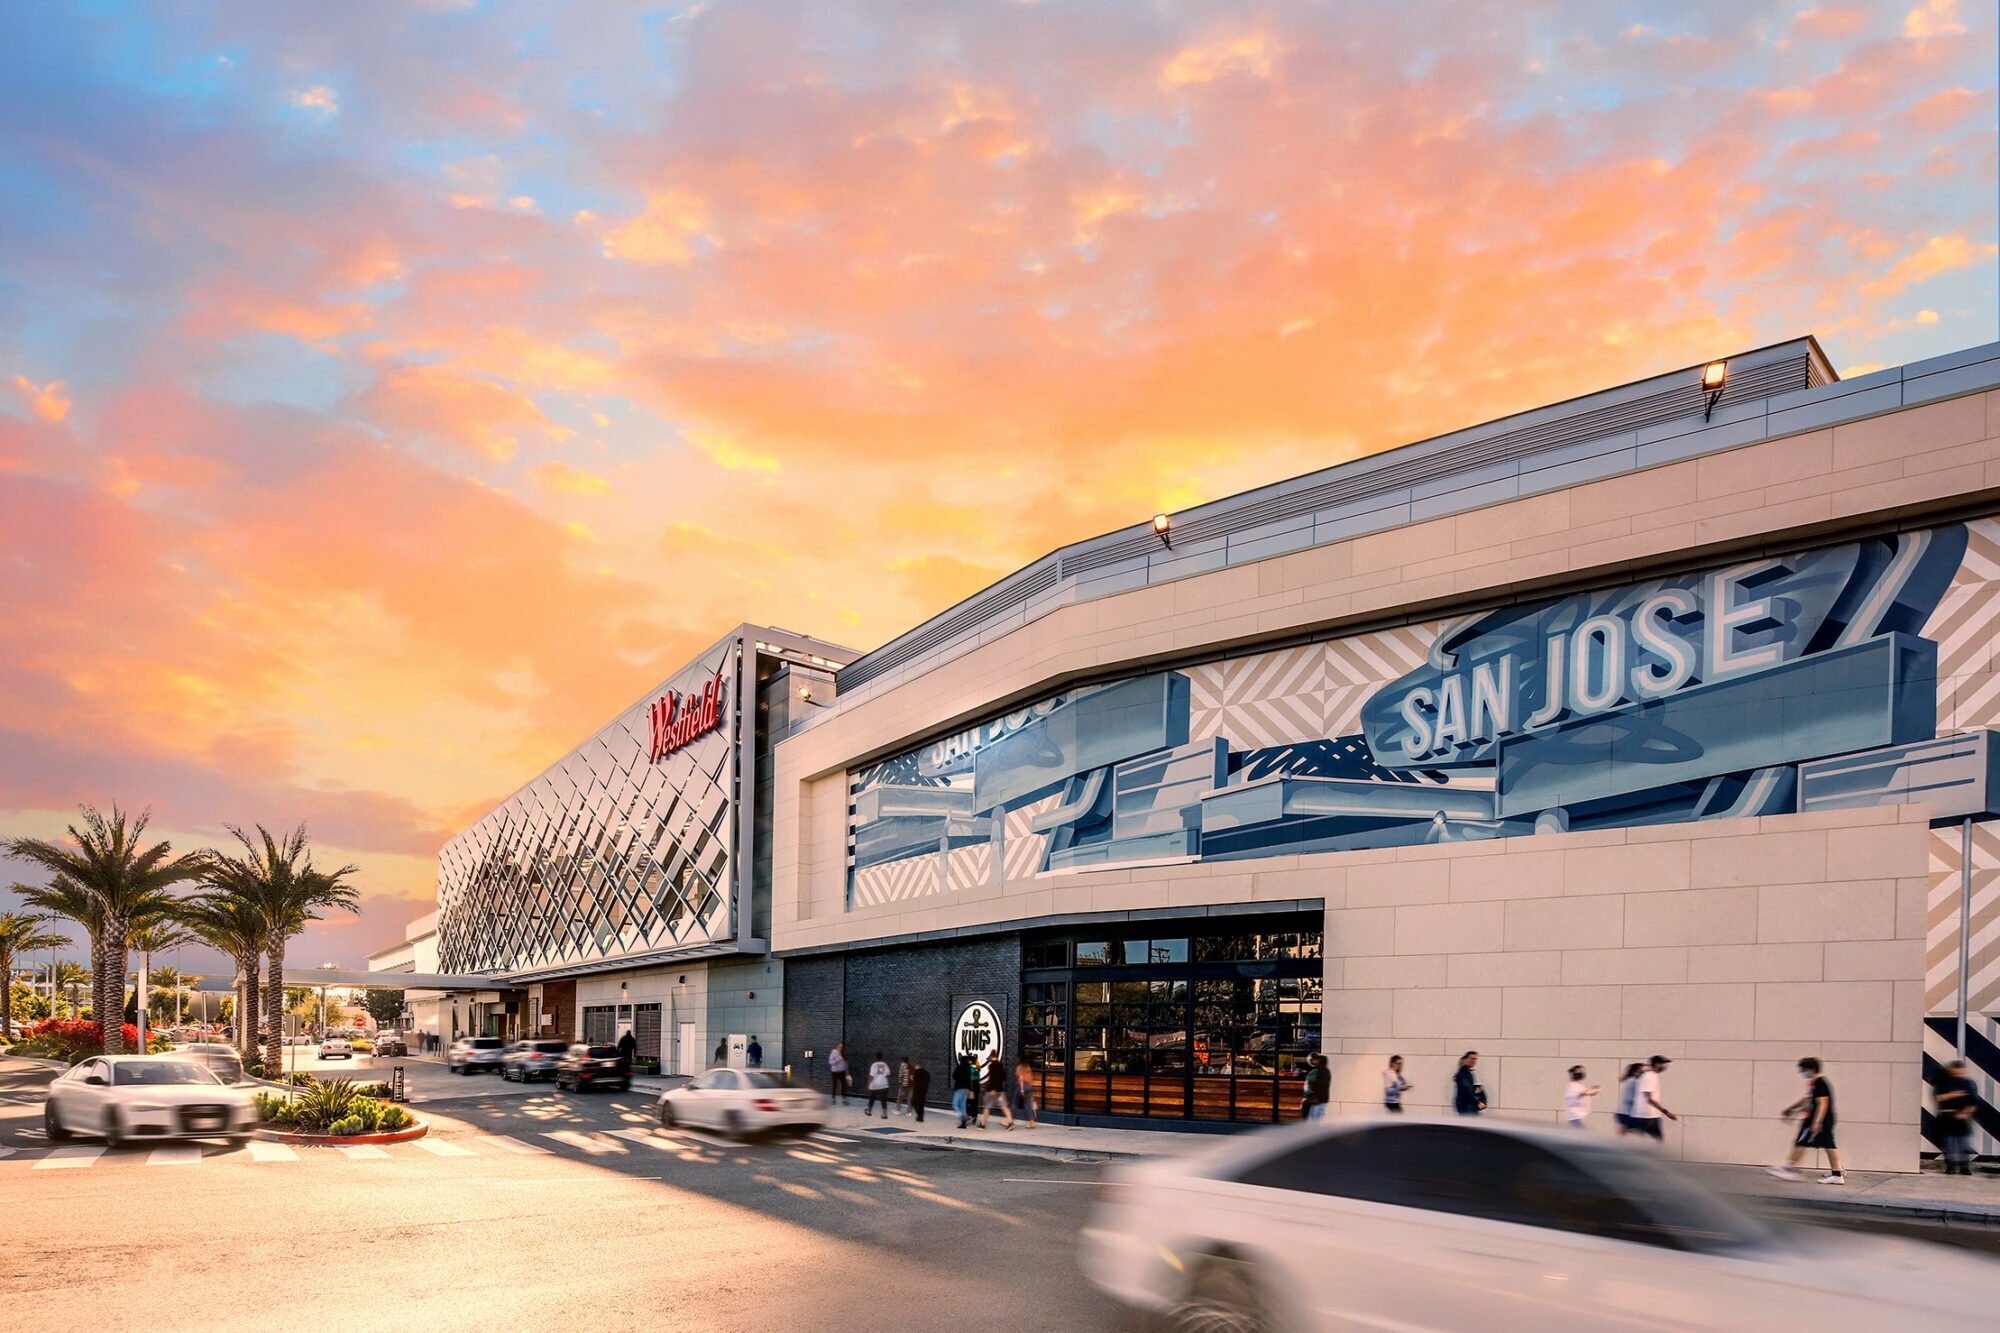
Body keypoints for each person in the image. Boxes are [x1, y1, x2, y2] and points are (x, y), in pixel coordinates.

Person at [1769, 1056, 1843, 1184]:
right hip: (1815, 1118)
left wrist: (1817, 1122)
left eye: (1803, 1070)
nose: (1802, 1073)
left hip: (1818, 1119)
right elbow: (1807, 1100)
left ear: (1811, 1069)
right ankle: (1837, 1172)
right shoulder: (1814, 1083)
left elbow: (1823, 1103)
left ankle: (1789, 1167)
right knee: (1827, 1144)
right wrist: (1792, 1109)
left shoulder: (1820, 1083)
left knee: (1802, 1142)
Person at [1932, 1059, 1978, 1175]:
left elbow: (1973, 1102)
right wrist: (1953, 1095)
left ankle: (1964, 1167)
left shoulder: (1969, 1083)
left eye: (1961, 1070)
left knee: (1964, 1144)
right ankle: (1950, 1166)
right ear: (1952, 1070)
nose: (1959, 1073)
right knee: (1949, 1143)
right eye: (1957, 1070)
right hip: (1947, 1115)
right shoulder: (1944, 1082)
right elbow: (1938, 1098)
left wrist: (1966, 1113)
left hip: (1963, 1117)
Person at [1630, 1055, 1678, 1141]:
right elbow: (1650, 1099)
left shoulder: (1648, 1075)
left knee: (1647, 1143)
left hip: (1644, 1116)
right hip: (1648, 1116)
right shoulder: (1650, 1076)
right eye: (1663, 1064)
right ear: (1656, 1064)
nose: (1665, 1066)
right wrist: (1666, 1112)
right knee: (1658, 1142)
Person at [979, 1050, 1014, 1130]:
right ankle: (1010, 1122)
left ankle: (983, 1124)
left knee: (987, 1107)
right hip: (1000, 1089)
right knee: (1004, 1106)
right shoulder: (1000, 1065)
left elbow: (993, 1078)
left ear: (991, 1056)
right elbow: (1003, 1076)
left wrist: (993, 1089)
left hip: (992, 1090)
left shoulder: (992, 1065)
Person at [1613, 1063, 1645, 1134]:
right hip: (1627, 1113)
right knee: (1640, 1131)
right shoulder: (1633, 1081)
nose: (1643, 1074)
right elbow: (1629, 1098)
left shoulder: (1630, 1080)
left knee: (1624, 1134)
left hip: (1624, 1112)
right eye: (1641, 1072)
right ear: (1634, 1072)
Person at [1453, 1051, 1485, 1116]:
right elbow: (1466, 1090)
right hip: (1467, 1106)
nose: (1474, 1061)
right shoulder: (1463, 1073)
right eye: (1472, 1058)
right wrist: (1477, 1102)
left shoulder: (1466, 1073)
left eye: (1475, 1059)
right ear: (1466, 1059)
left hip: (1468, 1106)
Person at [1302, 1053, 1332, 1120]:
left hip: (1314, 1101)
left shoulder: (1316, 1072)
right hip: (1323, 1100)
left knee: (1312, 1121)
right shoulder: (1327, 1072)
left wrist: (1308, 1097)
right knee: (1318, 1120)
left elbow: (1310, 1086)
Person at [951, 1053, 976, 1127]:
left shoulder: (959, 1067)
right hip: (966, 1089)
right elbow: (970, 1079)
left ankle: (964, 1116)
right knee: (963, 1105)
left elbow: (954, 1076)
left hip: (959, 1088)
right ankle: (963, 1123)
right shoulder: (969, 1068)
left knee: (955, 1104)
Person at [865, 1051, 892, 1117]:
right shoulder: (885, 1064)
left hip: (875, 1085)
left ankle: (869, 1111)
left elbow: (871, 1075)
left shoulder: (874, 1065)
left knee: (872, 1098)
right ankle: (884, 1114)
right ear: (882, 1057)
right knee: (883, 1099)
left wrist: (868, 1083)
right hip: (884, 1084)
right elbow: (888, 1073)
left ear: (876, 1057)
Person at [1014, 1054, 1038, 1129]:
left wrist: (1021, 1089)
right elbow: (1031, 1077)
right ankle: (1031, 1122)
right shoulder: (1027, 1066)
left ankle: (1010, 1120)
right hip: (1029, 1086)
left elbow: (1021, 1078)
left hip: (1022, 1086)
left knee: (1014, 1103)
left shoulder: (1019, 1067)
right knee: (1029, 1105)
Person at [909, 1057, 931, 1123]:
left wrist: (911, 1077)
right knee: (921, 1104)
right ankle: (921, 1118)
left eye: (915, 1066)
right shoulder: (927, 1073)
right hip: (924, 1090)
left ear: (918, 1066)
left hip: (917, 1090)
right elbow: (928, 1080)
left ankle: (919, 1115)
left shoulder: (916, 1072)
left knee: (913, 1102)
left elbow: (914, 1079)